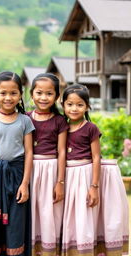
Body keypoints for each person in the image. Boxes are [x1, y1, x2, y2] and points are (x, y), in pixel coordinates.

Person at [0, 71, 35, 256]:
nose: (8, 98)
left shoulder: (25, 121)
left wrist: (25, 184)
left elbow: (28, 153)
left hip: (17, 174)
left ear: (21, 95)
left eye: (13, 93)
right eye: (3, 93)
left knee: (16, 220)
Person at [27, 73, 68, 256]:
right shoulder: (25, 118)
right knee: (31, 211)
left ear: (57, 97)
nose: (43, 98)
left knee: (50, 211)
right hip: (29, 170)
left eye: (49, 93)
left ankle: (49, 250)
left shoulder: (60, 121)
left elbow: (61, 152)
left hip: (51, 170)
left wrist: (60, 182)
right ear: (31, 94)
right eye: (39, 92)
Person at [61, 84, 101, 256]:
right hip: (65, 175)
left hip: (84, 175)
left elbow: (96, 157)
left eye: (79, 105)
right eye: (70, 104)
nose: (74, 108)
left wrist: (94, 186)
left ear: (87, 106)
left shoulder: (91, 128)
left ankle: (84, 250)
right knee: (67, 216)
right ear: (63, 105)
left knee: (83, 215)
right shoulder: (61, 127)